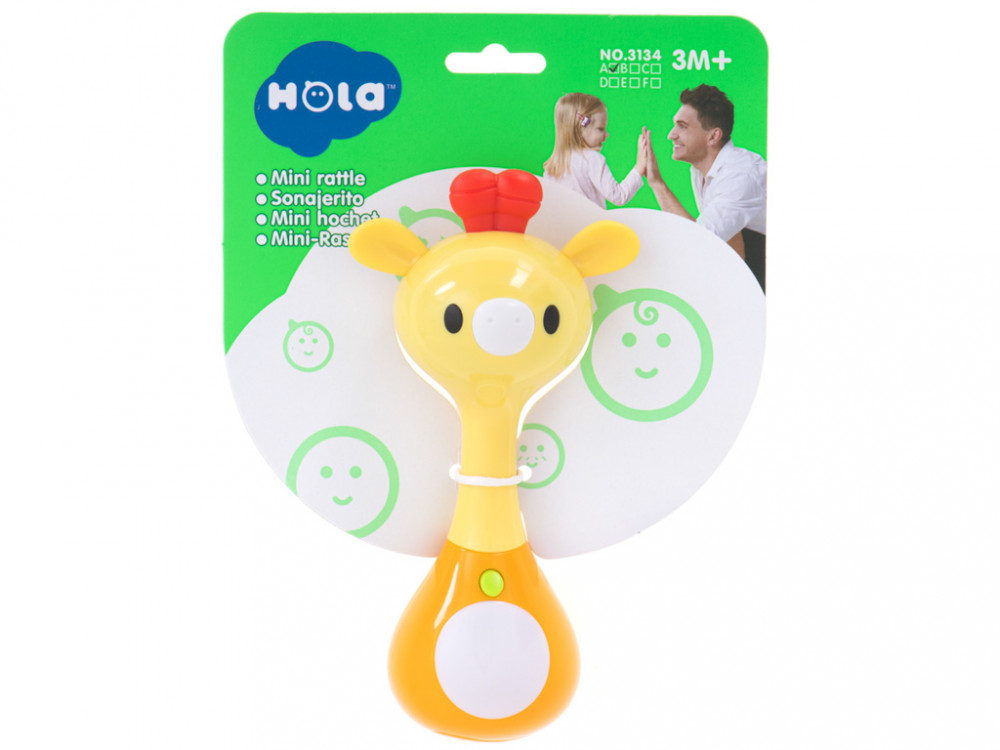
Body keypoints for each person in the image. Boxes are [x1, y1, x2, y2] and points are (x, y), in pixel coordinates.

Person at [643, 85, 767, 290]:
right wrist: (655, 182)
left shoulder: (739, 177)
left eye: (682, 126)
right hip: (751, 258)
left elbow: (699, 243)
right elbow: (712, 240)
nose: (671, 135)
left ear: (713, 136)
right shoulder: (701, 169)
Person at [543, 92, 646, 209]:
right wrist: (639, 167)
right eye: (600, 129)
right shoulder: (591, 159)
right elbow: (618, 196)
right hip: (591, 221)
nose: (607, 134)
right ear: (579, 128)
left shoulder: (551, 166)